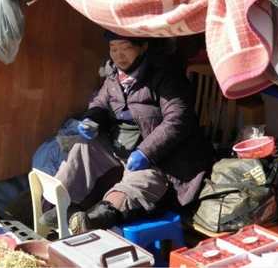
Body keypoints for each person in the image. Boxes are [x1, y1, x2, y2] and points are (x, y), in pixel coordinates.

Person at [40, 30, 215, 234]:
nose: (118, 55)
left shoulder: (166, 74)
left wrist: (146, 152)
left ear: (143, 46)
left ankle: (99, 217)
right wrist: (92, 118)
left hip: (163, 159)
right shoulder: (114, 74)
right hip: (122, 147)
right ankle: (63, 206)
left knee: (143, 179)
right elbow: (101, 102)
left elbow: (178, 120)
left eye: (125, 48)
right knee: (84, 144)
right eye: (113, 49)